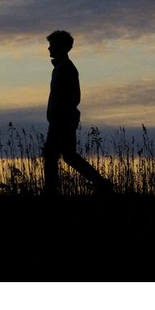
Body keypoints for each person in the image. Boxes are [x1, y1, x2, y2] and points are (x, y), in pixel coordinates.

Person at [42, 30, 113, 196]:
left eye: (52, 45)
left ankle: (51, 191)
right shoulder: (60, 67)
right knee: (66, 156)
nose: (49, 48)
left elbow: (73, 97)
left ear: (62, 47)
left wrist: (58, 113)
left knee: (54, 155)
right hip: (60, 119)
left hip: (62, 120)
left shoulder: (66, 68)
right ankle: (101, 184)